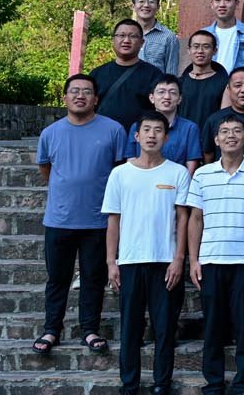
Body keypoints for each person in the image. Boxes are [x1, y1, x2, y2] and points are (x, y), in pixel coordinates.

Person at [33, 73, 128, 357]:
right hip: (60, 219)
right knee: (57, 278)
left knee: (93, 278)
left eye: (87, 91)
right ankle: (52, 329)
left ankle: (90, 329)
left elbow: (120, 171)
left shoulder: (113, 130)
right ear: (64, 97)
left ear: (96, 99)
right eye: (74, 91)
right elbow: (46, 169)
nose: (80, 96)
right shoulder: (50, 133)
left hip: (98, 220)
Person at [102, 109, 191, 395]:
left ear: (166, 137)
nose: (152, 135)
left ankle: (161, 382)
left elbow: (183, 219)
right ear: (137, 136)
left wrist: (179, 259)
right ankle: (129, 383)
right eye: (147, 130)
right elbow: (113, 220)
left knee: (164, 327)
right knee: (130, 327)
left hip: (165, 262)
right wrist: (111, 261)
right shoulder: (120, 174)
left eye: (158, 130)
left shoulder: (178, 173)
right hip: (130, 260)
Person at [186, 114, 244, 395]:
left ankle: (243, 382)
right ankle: (213, 382)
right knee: (213, 325)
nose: (231, 136)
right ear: (216, 139)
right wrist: (193, 260)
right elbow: (195, 219)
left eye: (237, 131)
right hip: (211, 259)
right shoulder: (202, 175)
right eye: (225, 131)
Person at [92, 19, 165, 133]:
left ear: (142, 42)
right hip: (101, 136)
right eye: (121, 35)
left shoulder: (154, 74)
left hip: (138, 138)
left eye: (133, 36)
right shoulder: (97, 74)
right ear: (113, 40)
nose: (126, 40)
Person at [124, 74, 203, 174]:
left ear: (180, 99)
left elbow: (191, 164)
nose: (167, 97)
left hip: (175, 181)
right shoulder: (137, 126)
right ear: (151, 97)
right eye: (161, 92)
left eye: (173, 92)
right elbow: (131, 160)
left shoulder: (190, 128)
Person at [178, 29, 229, 127]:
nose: (200, 51)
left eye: (206, 47)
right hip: (184, 135)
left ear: (214, 51)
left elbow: (225, 117)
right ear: (189, 50)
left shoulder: (224, 83)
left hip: (211, 134)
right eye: (196, 46)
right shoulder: (180, 82)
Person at [132, 0, 181, 76]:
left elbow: (171, 74)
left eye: (151, 1)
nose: (146, 5)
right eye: (141, 1)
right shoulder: (125, 35)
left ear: (158, 7)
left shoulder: (169, 37)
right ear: (133, 6)